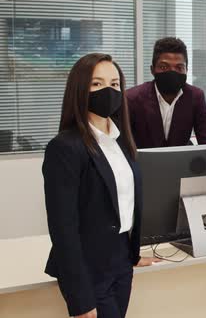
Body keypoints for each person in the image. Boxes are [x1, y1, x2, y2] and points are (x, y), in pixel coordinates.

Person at [42, 53, 160, 318]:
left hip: (120, 262)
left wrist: (132, 254)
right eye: (96, 84)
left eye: (115, 84)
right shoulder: (65, 147)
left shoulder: (121, 141)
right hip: (88, 268)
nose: (108, 90)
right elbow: (63, 229)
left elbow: (124, 205)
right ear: (79, 90)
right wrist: (80, 298)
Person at [126, 37, 206, 148]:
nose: (172, 72)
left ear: (186, 70)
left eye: (179, 67)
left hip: (181, 163)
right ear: (152, 70)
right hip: (143, 163)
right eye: (164, 67)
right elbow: (123, 146)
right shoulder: (132, 99)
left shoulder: (196, 97)